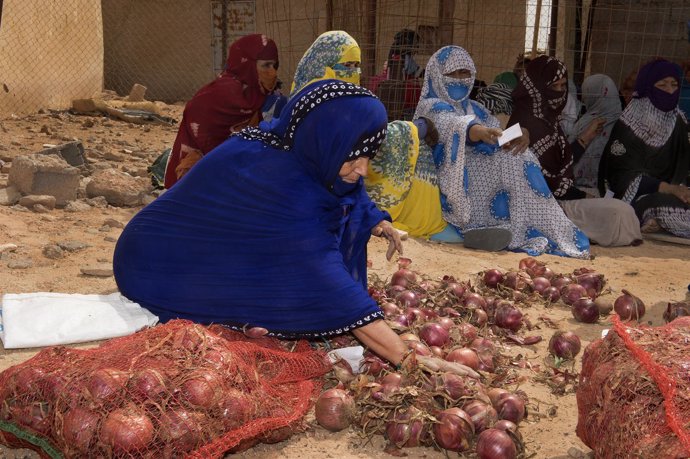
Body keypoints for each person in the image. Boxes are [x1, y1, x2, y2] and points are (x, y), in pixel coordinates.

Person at [114, 80, 409, 365]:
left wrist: (376, 222)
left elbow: (345, 190)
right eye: (354, 156)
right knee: (290, 294)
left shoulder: (296, 145)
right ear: (323, 140)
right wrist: (407, 358)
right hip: (156, 266)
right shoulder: (285, 187)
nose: (364, 169)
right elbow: (330, 284)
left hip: (205, 249)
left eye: (369, 156)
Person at [415, 46, 590, 258]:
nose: (459, 79)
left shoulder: (474, 107)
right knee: (507, 161)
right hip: (447, 178)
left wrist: (521, 133)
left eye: (465, 73)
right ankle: (478, 225)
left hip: (479, 169)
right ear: (437, 75)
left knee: (520, 155)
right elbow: (450, 124)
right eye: (452, 73)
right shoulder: (431, 105)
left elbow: (497, 134)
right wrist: (477, 131)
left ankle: (522, 227)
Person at [291, 31, 449, 243]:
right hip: (318, 191)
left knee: (414, 149)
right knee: (411, 142)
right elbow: (362, 139)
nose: (354, 72)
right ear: (323, 65)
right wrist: (414, 128)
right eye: (347, 66)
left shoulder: (347, 99)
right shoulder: (311, 104)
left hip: (348, 183)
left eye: (357, 65)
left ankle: (421, 222)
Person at [509, 56, 642, 247]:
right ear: (536, 86)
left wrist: (584, 139)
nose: (560, 93)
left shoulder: (548, 120)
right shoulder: (525, 123)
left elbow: (558, 166)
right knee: (619, 213)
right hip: (541, 206)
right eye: (554, 86)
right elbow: (547, 182)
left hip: (559, 198)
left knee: (621, 210)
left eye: (563, 87)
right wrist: (582, 196)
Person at [163, 34, 282, 189]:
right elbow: (204, 141)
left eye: (275, 66)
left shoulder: (264, 96)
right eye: (266, 66)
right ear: (247, 65)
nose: (272, 73)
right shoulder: (217, 96)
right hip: (203, 169)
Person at [598, 59, 690, 238]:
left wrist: (681, 189)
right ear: (647, 87)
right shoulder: (628, 126)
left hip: (676, 192)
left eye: (674, 85)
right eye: (662, 85)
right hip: (637, 197)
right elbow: (621, 179)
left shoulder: (678, 122)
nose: (670, 91)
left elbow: (683, 165)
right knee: (659, 205)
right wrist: (669, 189)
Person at [570, 74, 622, 189]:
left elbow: (566, 156)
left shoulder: (584, 123)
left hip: (575, 186)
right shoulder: (626, 124)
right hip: (611, 190)